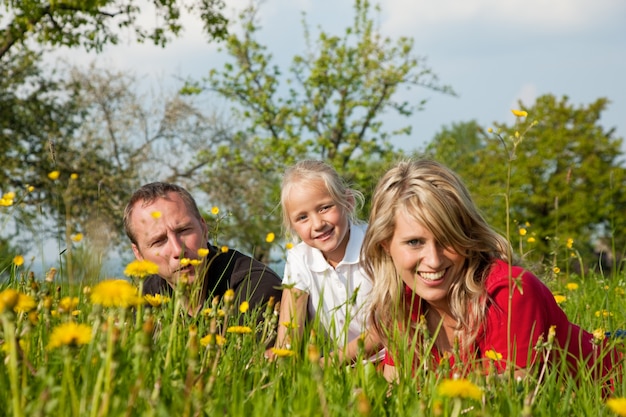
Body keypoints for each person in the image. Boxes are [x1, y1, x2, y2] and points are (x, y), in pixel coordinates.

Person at [361, 159, 620, 384]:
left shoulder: (509, 291)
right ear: (386, 245)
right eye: (414, 242)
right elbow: (397, 395)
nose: (434, 259)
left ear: (467, 236)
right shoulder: (402, 306)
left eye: (448, 238)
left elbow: (509, 400)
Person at [269, 160, 381, 362]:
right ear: (293, 226)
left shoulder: (375, 247)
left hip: (388, 360)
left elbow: (388, 327)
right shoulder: (299, 258)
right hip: (337, 369)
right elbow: (289, 332)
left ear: (347, 202)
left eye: (324, 208)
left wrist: (329, 363)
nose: (318, 224)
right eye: (302, 217)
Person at [123, 182, 282, 317]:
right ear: (139, 254)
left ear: (204, 229)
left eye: (184, 231)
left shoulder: (254, 287)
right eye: (159, 241)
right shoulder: (142, 300)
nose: (178, 250)